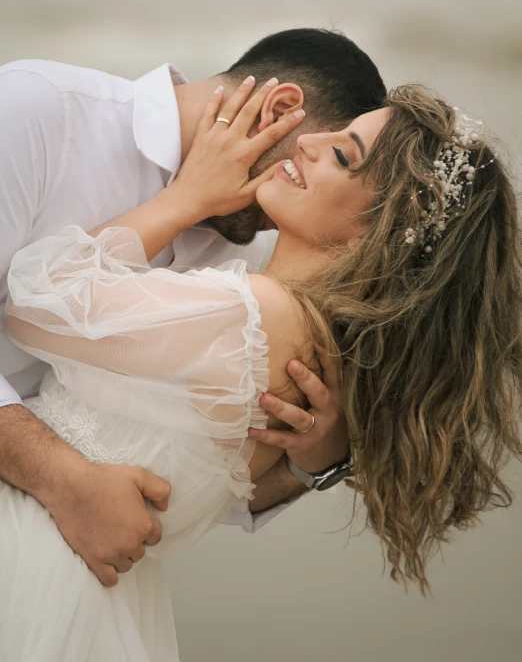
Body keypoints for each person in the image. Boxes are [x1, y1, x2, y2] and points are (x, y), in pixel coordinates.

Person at [2, 81, 521, 661]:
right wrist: (317, 469)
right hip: (99, 592)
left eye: (343, 154)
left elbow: (30, 305)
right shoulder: (318, 348)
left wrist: (184, 200)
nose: (309, 141)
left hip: (34, 556)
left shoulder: (256, 316)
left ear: (378, 232)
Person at [0, 28, 387, 586]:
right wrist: (60, 477)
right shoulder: (39, 113)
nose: (288, 193)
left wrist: (314, 462)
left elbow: (177, 484)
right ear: (278, 111)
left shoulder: (240, 253)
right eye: (315, 152)